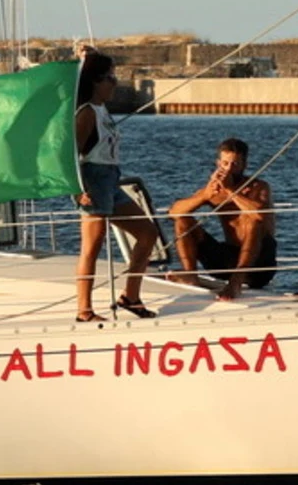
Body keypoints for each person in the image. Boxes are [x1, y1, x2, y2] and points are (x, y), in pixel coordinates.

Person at [71, 45, 159, 322]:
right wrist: (76, 190)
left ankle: (130, 296)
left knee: (147, 233)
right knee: (92, 247)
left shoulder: (101, 108)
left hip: (111, 180)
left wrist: (88, 55)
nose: (115, 82)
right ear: (96, 82)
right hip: (93, 180)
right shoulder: (86, 113)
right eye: (110, 77)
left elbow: (87, 68)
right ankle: (84, 310)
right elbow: (71, 154)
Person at [167, 137, 278, 297]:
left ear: (244, 165)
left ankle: (236, 284)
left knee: (254, 223)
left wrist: (230, 191)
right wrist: (205, 196)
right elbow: (174, 212)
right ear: (218, 163)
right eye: (225, 163)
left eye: (234, 164)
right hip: (228, 260)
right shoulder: (214, 190)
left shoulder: (258, 187)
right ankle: (191, 274)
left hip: (258, 265)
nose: (228, 169)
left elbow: (260, 215)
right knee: (183, 221)